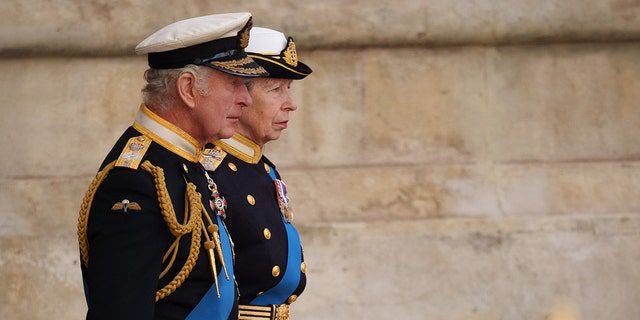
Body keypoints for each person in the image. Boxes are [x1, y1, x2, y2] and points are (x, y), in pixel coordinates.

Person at [77, 13, 269, 319]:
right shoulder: (136, 181)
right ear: (188, 89)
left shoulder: (184, 162)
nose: (246, 99)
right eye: (235, 84)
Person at [200, 27, 312, 320]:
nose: (291, 103)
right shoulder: (209, 171)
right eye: (276, 90)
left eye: (289, 89)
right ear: (240, 95)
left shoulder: (264, 168)